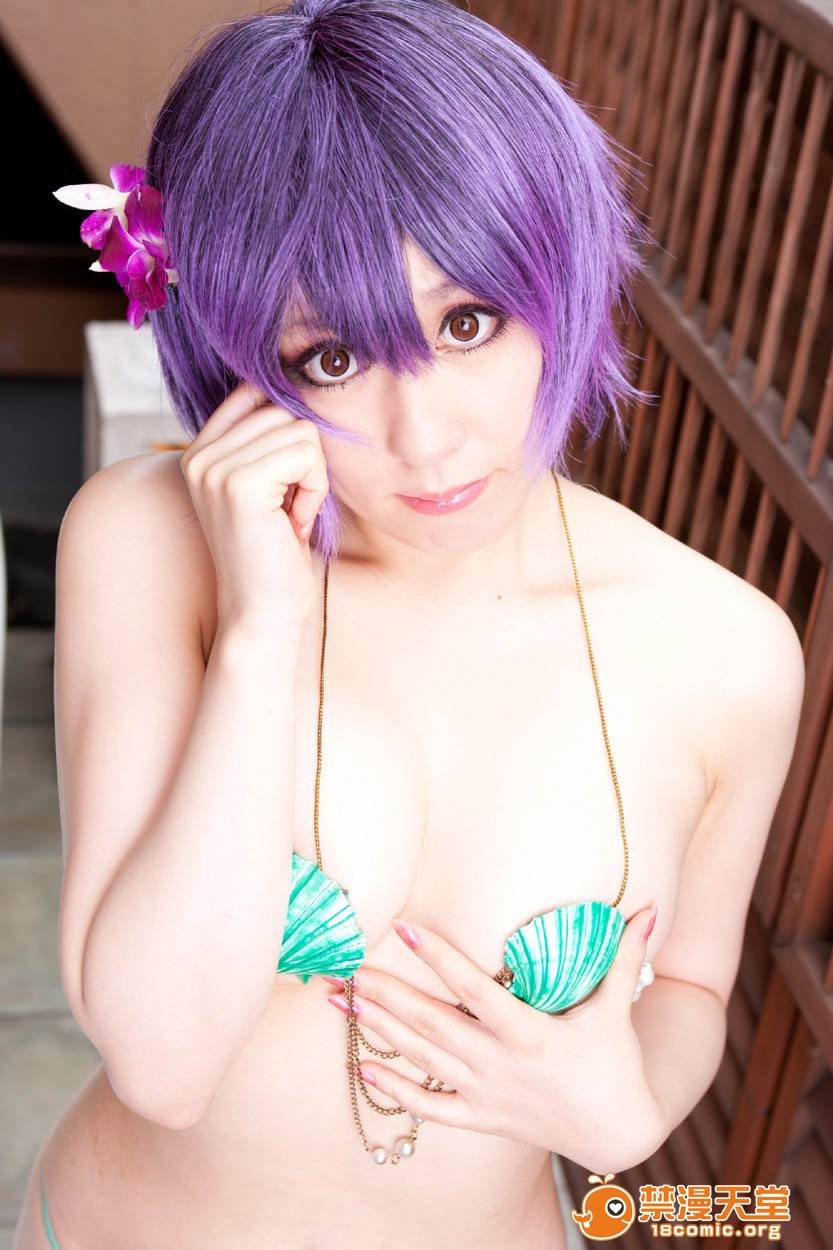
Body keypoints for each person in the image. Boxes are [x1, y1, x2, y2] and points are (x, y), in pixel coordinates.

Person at [14, 0, 805, 1246]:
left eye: (467, 323)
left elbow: (691, 985)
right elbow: (162, 1062)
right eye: (329, 358)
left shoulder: (725, 647)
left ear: (559, 277)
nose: (425, 440)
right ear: (240, 362)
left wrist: (633, 1106)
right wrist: (261, 630)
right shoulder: (146, 543)